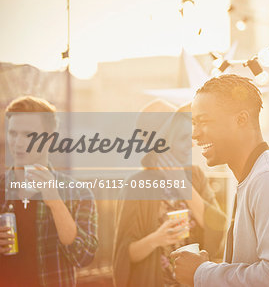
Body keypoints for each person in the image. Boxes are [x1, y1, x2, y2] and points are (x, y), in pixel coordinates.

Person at [171, 74, 269, 286]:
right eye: (193, 123)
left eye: (203, 122)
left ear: (241, 119)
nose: (194, 134)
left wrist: (202, 273)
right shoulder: (256, 177)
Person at [112, 100, 227, 287]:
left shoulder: (195, 177)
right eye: (183, 138)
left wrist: (182, 184)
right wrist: (157, 239)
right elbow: (125, 255)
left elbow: (218, 226)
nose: (191, 144)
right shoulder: (136, 185)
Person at [0, 96, 98, 287]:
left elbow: (84, 257)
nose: (18, 142)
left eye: (28, 135)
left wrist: (55, 203)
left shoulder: (78, 193)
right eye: (13, 133)